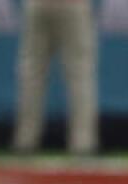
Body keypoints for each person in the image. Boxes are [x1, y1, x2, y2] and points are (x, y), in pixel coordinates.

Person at [12, 0, 99, 155]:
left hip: (38, 5)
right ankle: (83, 142)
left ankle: (25, 140)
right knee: (80, 74)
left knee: (32, 73)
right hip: (73, 5)